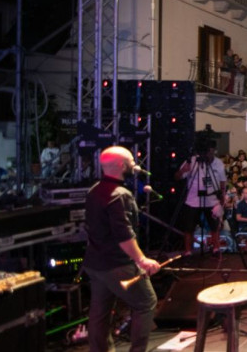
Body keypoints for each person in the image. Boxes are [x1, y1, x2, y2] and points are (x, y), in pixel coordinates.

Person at [84, 146, 161, 352]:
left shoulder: (94, 190)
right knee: (146, 302)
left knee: (100, 313)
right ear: (120, 165)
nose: (134, 166)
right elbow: (124, 235)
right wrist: (142, 260)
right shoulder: (120, 195)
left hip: (95, 263)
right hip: (117, 264)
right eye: (130, 162)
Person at [175, 143, 226, 255]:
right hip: (193, 200)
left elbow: (222, 182)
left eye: (211, 152)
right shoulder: (192, 161)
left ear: (214, 151)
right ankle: (188, 251)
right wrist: (184, 170)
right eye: (207, 152)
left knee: (214, 227)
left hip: (212, 200)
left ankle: (216, 249)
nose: (208, 154)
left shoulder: (219, 163)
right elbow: (177, 177)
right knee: (189, 228)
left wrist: (222, 198)